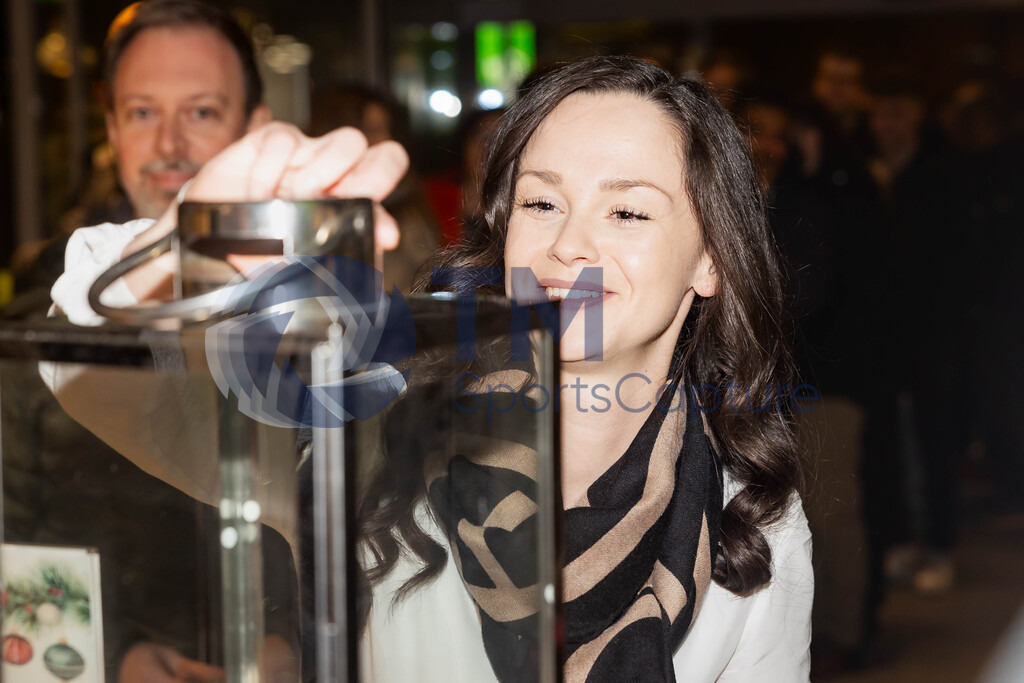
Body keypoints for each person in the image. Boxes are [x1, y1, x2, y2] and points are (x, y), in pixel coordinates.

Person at [47, 56, 810, 680]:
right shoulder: (382, 430)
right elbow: (89, 378)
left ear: (710, 258)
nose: (569, 245)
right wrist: (185, 260)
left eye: (628, 212)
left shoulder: (753, 516)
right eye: (542, 204)